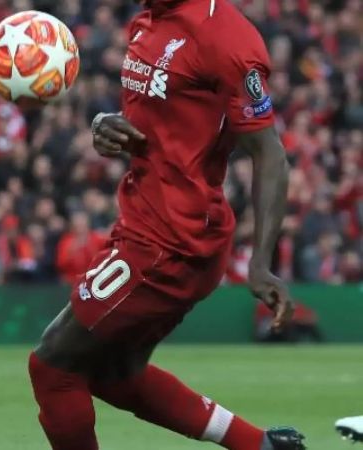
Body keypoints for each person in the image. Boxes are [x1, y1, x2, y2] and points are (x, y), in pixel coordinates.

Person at [27, 1, 307, 449]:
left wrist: (261, 261)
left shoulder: (225, 36)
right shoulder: (148, 19)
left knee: (54, 366)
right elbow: (155, 119)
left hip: (172, 241)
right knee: (115, 374)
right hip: (142, 223)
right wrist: (104, 126)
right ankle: (260, 446)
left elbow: (269, 153)